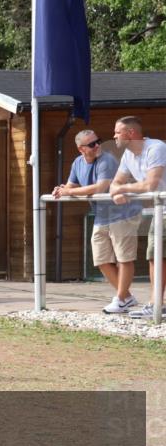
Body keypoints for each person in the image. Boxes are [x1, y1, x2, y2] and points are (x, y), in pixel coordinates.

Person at [54, 129, 142, 314]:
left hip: (123, 214)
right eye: (92, 144)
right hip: (102, 215)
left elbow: (100, 188)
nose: (97, 146)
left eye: (98, 141)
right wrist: (60, 189)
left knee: (124, 258)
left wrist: (69, 192)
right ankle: (126, 297)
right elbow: (70, 185)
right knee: (101, 259)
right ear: (81, 149)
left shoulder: (107, 160)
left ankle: (120, 298)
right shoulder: (78, 162)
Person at [109, 116, 166, 319]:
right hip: (160, 210)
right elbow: (115, 183)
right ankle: (156, 304)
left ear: (131, 133)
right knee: (155, 256)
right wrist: (118, 191)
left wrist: (123, 189)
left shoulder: (155, 148)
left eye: (117, 132)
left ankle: (156, 304)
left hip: (163, 208)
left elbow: (150, 184)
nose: (114, 136)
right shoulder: (127, 155)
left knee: (157, 255)